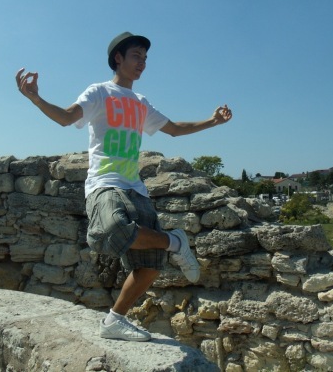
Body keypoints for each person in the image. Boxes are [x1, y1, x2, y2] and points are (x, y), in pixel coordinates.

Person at [16, 31, 232, 342]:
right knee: (111, 228)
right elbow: (66, 117)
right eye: (136, 56)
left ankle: (114, 321)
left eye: (145, 58)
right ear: (118, 58)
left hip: (135, 188)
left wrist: (213, 122)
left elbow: (174, 129)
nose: (142, 62)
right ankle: (175, 241)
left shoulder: (141, 103)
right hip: (105, 183)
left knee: (151, 264)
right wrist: (36, 98)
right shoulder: (100, 92)